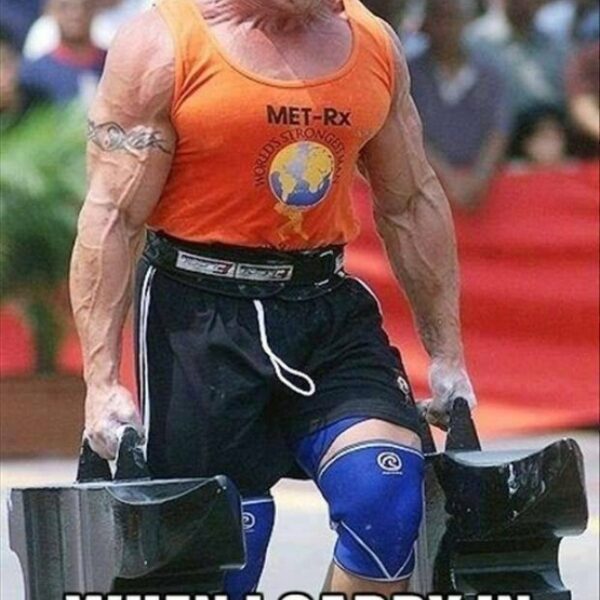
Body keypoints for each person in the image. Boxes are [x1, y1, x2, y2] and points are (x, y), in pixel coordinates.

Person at [70, 0, 476, 595]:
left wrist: (447, 356)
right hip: (199, 314)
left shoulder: (371, 42)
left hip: (324, 305)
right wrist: (101, 383)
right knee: (220, 556)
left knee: (385, 498)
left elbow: (410, 201)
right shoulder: (162, 45)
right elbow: (114, 217)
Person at [409, 0, 509, 210]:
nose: (445, 26)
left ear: (466, 22)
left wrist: (478, 179)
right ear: (425, 23)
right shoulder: (409, 74)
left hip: (482, 189)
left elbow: (498, 131)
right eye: (438, 18)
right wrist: (448, 178)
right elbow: (408, 134)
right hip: (424, 188)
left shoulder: (489, 72)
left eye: (452, 18)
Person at [467, 0, 568, 119]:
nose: (523, 4)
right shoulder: (476, 41)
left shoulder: (554, 42)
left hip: (553, 121)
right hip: (503, 125)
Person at [19, 0, 106, 105]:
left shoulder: (113, 63)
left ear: (96, 9)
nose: (76, 14)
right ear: (50, 11)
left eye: (85, 6)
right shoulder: (34, 75)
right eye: (64, 7)